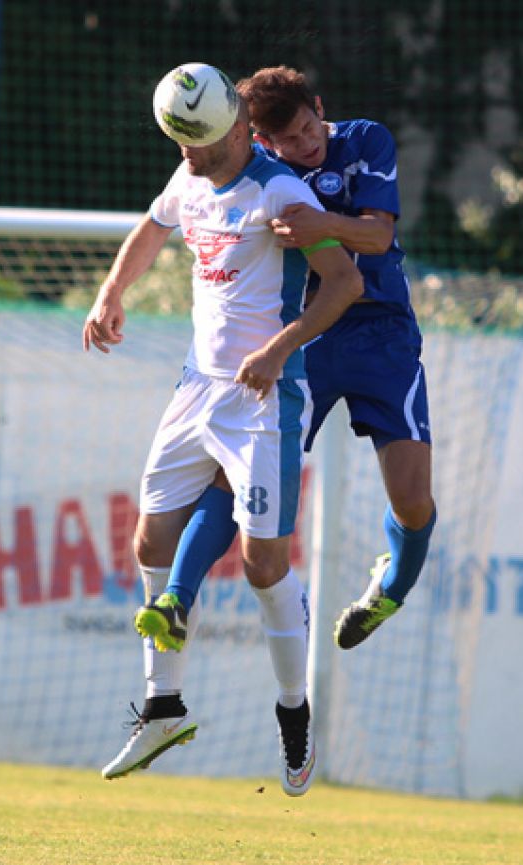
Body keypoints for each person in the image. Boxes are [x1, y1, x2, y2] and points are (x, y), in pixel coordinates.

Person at [84, 63, 363, 797]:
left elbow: (345, 283)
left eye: (204, 148)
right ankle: (162, 706)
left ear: (242, 127)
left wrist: (277, 351)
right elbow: (152, 228)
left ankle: (293, 710)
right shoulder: (189, 175)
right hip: (196, 387)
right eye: (183, 148)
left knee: (262, 564)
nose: (193, 161)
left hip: (265, 397)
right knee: (147, 539)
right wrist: (112, 293)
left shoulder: (278, 191)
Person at [148, 65, 438, 653]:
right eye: (286, 141)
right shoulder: (265, 177)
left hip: (382, 333)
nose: (305, 145)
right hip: (308, 335)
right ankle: (176, 597)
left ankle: (392, 584)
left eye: (309, 128)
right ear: (260, 141)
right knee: (236, 474)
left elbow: (378, 238)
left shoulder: (365, 140)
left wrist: (318, 225)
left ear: (320, 107)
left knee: (410, 496)